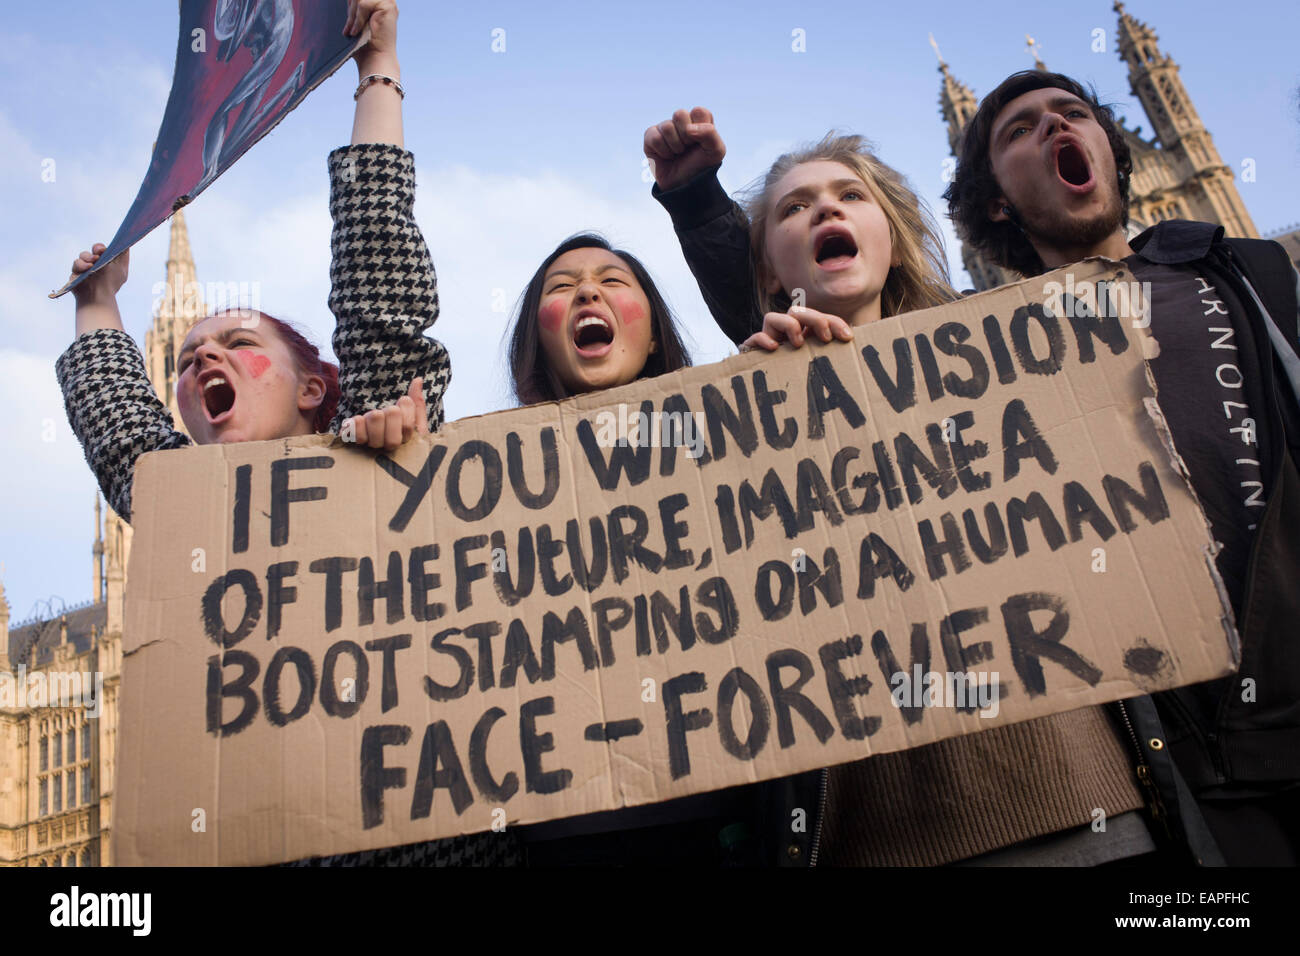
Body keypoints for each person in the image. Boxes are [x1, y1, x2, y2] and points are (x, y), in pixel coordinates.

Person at [644, 107, 1178, 867]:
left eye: (851, 196)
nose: (826, 209)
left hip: (1092, 812)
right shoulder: (751, 401)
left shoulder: (1001, 355)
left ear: (894, 243)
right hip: (876, 837)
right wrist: (762, 396)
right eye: (796, 207)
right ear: (764, 271)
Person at [57, 0, 520, 866]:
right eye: (189, 357)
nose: (202, 363)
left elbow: (378, 283)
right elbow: (124, 435)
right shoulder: (195, 513)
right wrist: (98, 306)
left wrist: (376, 71)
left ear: (316, 386)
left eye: (235, 345)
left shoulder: (379, 442)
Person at [944, 70, 1300, 866]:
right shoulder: (991, 349)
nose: (1056, 126)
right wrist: (703, 211)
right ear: (995, 200)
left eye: (1073, 114)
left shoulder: (1254, 272)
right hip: (1183, 750)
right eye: (1019, 130)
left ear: (1112, 147)